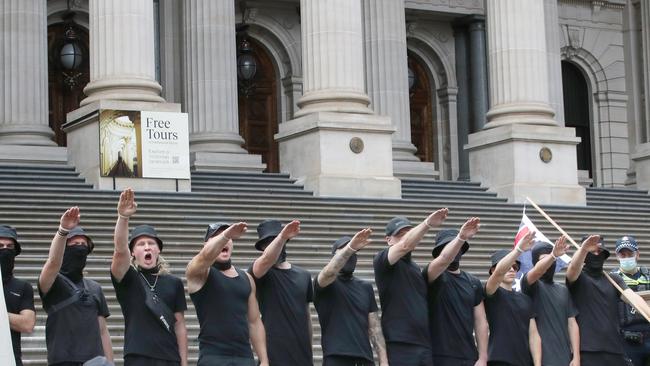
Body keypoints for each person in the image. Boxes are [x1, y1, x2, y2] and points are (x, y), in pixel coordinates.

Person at [111, 188, 188, 366]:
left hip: (170, 357)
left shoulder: (174, 283)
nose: (147, 247)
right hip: (137, 355)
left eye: (151, 243)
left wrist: (184, 362)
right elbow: (119, 251)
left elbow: (180, 324)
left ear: (158, 249)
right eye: (140, 244)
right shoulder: (127, 278)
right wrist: (123, 217)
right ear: (133, 252)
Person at [373, 209, 448, 366]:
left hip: (423, 343)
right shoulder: (382, 260)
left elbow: (443, 260)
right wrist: (427, 223)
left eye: (409, 232)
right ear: (388, 240)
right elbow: (405, 245)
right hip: (399, 344)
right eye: (400, 234)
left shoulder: (415, 269)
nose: (406, 237)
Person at [38, 207, 113, 366]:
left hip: (95, 361)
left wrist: (110, 362)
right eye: (74, 243)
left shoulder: (95, 288)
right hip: (62, 360)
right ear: (64, 248)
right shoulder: (52, 282)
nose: (79, 247)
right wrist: (63, 231)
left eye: (82, 244)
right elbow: (53, 262)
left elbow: (103, 331)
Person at [187, 221, 269, 366]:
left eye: (229, 238)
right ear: (206, 244)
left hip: (244, 357)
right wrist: (225, 236)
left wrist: (264, 359)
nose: (224, 240)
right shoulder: (199, 273)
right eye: (216, 237)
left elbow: (254, 322)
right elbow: (204, 257)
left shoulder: (247, 278)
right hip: (213, 357)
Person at [566, 235, 650, 366]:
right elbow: (572, 269)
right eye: (591, 252)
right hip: (588, 351)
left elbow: (634, 299)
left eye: (599, 251)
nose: (596, 254)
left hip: (615, 350)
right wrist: (583, 249)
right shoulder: (578, 278)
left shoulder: (614, 279)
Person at [314, 229, 388, 366]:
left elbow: (374, 327)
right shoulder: (324, 284)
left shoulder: (365, 287)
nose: (349, 255)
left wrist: (383, 360)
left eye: (353, 252)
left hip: (365, 359)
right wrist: (350, 248)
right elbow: (329, 272)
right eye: (344, 251)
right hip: (336, 357)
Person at [249, 219, 313, 366]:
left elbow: (307, 316)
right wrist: (282, 237)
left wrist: (308, 352)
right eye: (267, 243)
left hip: (302, 357)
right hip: (273, 356)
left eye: (275, 240)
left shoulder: (304, 275)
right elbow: (266, 260)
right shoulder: (259, 271)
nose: (273, 245)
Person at [423, 219, 487, 366]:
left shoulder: (473, 282)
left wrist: (482, 357)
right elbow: (444, 259)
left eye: (458, 247)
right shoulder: (432, 274)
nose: (454, 251)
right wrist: (461, 238)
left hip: (468, 355)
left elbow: (481, 321)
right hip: (438, 356)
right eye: (448, 246)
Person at [484, 232, 541, 366]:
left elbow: (533, 334)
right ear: (492, 270)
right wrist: (518, 250)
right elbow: (498, 273)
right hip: (499, 359)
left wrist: (538, 363)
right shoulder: (491, 292)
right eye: (508, 266)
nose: (511, 269)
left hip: (524, 361)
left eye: (515, 267)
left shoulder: (525, 299)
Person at [521, 236, 580, 366]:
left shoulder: (563, 290)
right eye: (543, 260)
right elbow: (537, 271)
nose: (549, 263)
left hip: (564, 358)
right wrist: (553, 255)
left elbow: (572, 323)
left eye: (552, 260)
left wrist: (576, 356)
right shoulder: (529, 284)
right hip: (539, 359)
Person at [611, 235, 650, 366]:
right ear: (617, 256)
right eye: (623, 255)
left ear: (637, 254)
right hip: (627, 341)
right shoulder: (612, 280)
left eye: (630, 254)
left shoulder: (648, 275)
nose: (627, 257)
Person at [0, 225, 35, 366]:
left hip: (11, 359)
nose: (5, 250)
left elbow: (27, 324)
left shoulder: (23, 287)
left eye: (9, 246)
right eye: (0, 246)